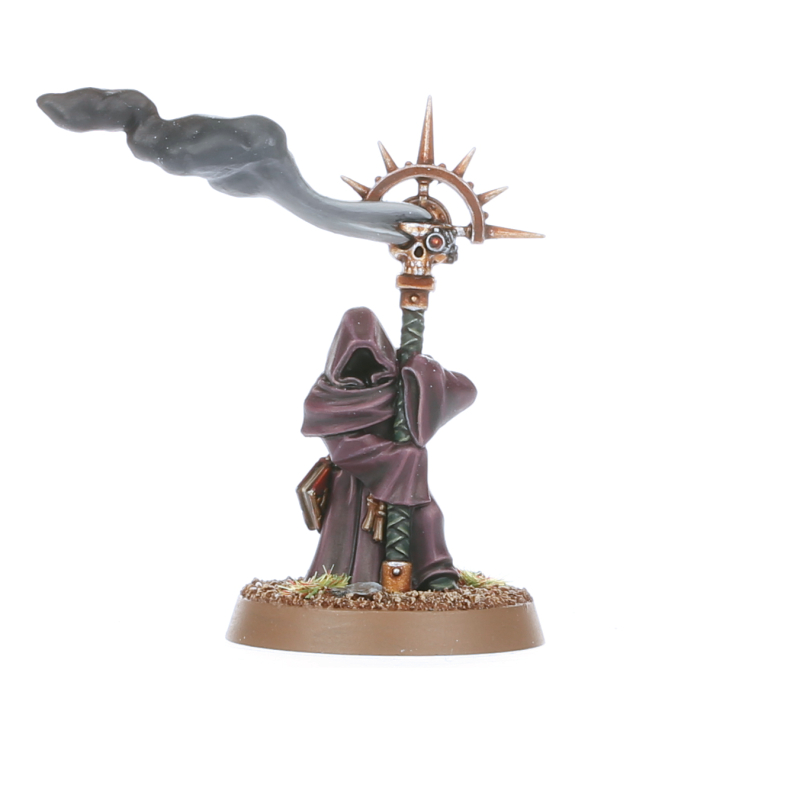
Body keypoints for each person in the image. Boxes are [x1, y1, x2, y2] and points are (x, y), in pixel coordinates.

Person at [302, 307, 477, 590]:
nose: (365, 368)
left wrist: (422, 372)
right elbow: (343, 448)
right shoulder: (328, 395)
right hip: (352, 483)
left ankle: (434, 575)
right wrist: (402, 458)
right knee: (356, 539)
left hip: (403, 477)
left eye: (371, 355)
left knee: (428, 516)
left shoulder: (398, 382)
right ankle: (357, 581)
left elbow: (466, 390)